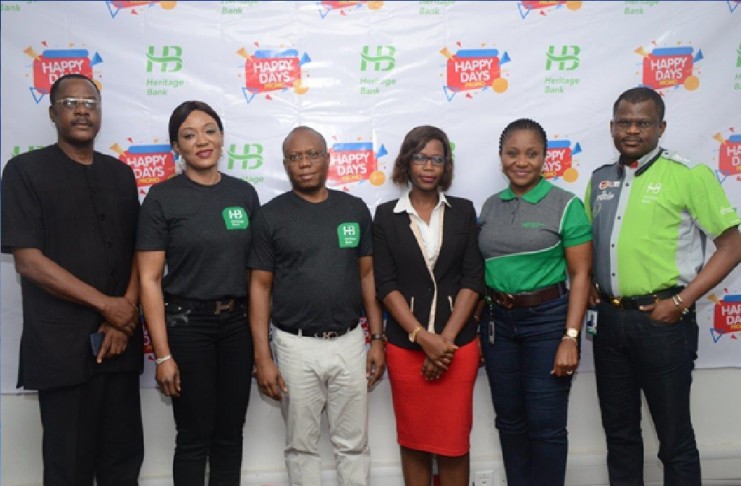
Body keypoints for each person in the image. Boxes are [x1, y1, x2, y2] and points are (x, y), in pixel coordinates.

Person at [586, 87, 741, 486]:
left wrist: (682, 301)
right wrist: (585, 283)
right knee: (619, 435)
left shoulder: (688, 175)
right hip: (609, 323)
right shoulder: (600, 180)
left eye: (643, 123)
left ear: (661, 127)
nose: (632, 131)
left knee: (674, 441)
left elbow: (733, 244)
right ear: (612, 126)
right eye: (624, 122)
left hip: (663, 322)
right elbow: (585, 244)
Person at [0, 73, 144, 485]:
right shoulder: (24, 171)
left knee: (123, 463)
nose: (82, 110)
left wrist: (122, 316)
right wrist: (108, 306)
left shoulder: (121, 174)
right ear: (52, 113)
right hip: (60, 348)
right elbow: (29, 262)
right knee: (68, 467)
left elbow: (141, 252)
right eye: (70, 103)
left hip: (119, 344)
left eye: (90, 103)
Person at [248, 126, 385, 486]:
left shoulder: (354, 209)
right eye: (295, 157)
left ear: (327, 158)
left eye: (312, 154)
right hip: (294, 345)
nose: (304, 163)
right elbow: (259, 288)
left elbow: (367, 276)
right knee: (301, 447)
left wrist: (377, 338)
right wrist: (263, 356)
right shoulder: (270, 216)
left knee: (354, 444)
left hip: (350, 341)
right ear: (285, 164)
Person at [137, 100, 260, 485]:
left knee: (230, 434)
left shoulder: (244, 194)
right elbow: (149, 280)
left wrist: (261, 345)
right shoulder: (162, 198)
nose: (202, 141)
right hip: (187, 326)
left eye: (210, 131)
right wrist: (163, 355)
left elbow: (257, 276)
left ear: (222, 137)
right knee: (193, 436)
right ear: (176, 147)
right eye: (189, 135)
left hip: (237, 326)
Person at [478, 118, 592, 486]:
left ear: (544, 157)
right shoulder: (490, 207)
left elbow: (580, 275)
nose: (521, 162)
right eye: (512, 153)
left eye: (531, 154)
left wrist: (570, 337)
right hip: (498, 325)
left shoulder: (566, 204)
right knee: (509, 422)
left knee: (546, 425)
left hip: (548, 323)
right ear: (501, 157)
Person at [372, 125, 485, 486]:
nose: (428, 166)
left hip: (457, 348)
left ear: (446, 165)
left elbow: (473, 279)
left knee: (454, 444)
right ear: (407, 161)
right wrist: (423, 337)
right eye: (420, 157)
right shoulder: (385, 215)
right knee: (414, 442)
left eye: (437, 159)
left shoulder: (464, 211)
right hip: (406, 349)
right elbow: (385, 285)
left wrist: (443, 344)